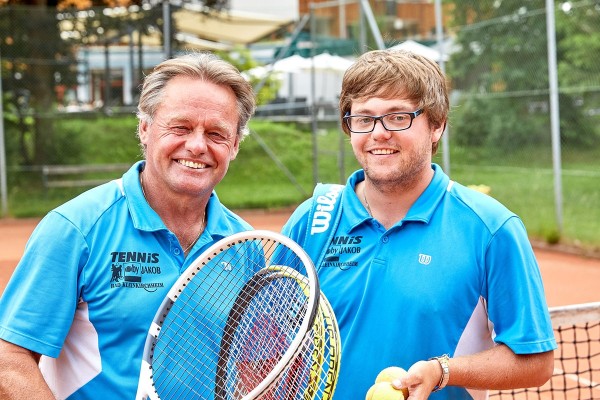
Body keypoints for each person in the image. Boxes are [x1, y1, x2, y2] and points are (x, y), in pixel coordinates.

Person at [281, 49, 557, 400]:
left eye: (398, 117)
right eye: (363, 118)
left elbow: (536, 360)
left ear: (437, 124)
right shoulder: (311, 220)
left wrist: (443, 371)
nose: (379, 134)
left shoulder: (490, 228)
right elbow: (269, 343)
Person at [0, 52, 256, 399]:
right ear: (145, 129)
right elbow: (10, 358)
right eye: (180, 127)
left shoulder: (247, 247)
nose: (197, 145)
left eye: (216, 133)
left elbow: (253, 369)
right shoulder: (76, 229)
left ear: (235, 145)